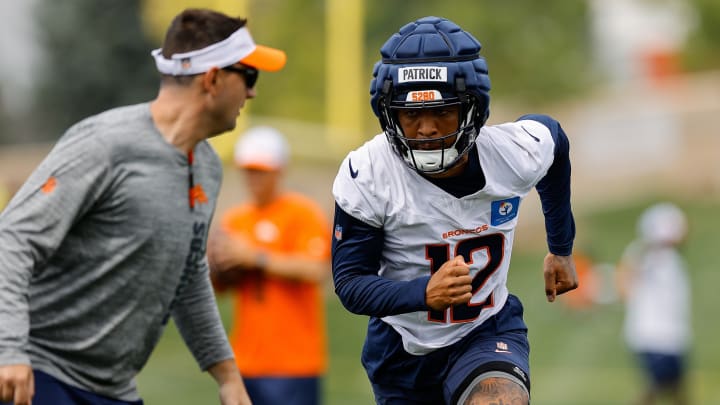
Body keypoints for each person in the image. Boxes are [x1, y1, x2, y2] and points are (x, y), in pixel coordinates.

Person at [0, 8, 287, 405]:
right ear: (213, 78)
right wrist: (10, 350)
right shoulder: (104, 144)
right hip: (40, 373)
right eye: (249, 76)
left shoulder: (206, 166)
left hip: (114, 389)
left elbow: (188, 274)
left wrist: (227, 376)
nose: (253, 92)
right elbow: (13, 240)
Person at [331, 16, 578, 405]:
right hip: (401, 348)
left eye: (442, 112)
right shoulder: (371, 172)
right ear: (389, 114)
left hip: (485, 329)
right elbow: (350, 283)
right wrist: (424, 292)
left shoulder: (512, 153)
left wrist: (561, 247)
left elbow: (556, 141)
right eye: (410, 114)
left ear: (472, 110)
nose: (426, 129)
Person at [207, 126, 331, 405]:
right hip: (245, 361)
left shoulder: (302, 213)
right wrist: (216, 269)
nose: (253, 178)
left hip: (294, 364)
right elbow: (220, 289)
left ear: (279, 171)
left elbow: (315, 269)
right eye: (249, 170)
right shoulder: (236, 220)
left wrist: (256, 258)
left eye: (261, 170)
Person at [616, 202, 691, 405]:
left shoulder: (672, 259)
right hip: (653, 335)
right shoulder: (643, 254)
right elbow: (623, 283)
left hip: (674, 336)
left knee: (678, 389)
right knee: (654, 387)